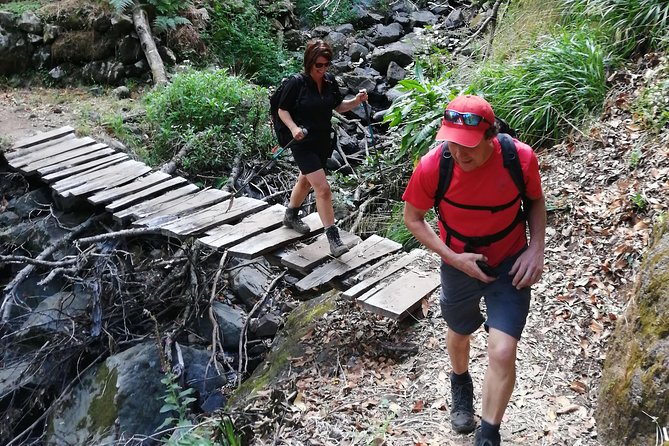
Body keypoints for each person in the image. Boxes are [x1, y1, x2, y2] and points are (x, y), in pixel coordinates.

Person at [402, 95, 546, 446]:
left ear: (490, 137)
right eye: (451, 143)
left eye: (467, 146)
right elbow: (413, 218)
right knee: (459, 329)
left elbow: (536, 201)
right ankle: (460, 381)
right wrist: (452, 257)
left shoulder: (519, 158)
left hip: (510, 262)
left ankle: (489, 433)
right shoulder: (435, 165)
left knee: (501, 351)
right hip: (458, 262)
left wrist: (536, 248)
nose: (458, 153)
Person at [277, 39, 368, 257]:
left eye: (326, 65)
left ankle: (290, 215)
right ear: (309, 63)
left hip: (322, 141)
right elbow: (282, 110)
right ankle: (333, 238)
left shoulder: (328, 81)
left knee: (306, 180)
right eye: (319, 65)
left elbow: (337, 106)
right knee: (323, 188)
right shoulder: (296, 83)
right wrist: (293, 128)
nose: (323, 69)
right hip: (302, 142)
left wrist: (356, 101)